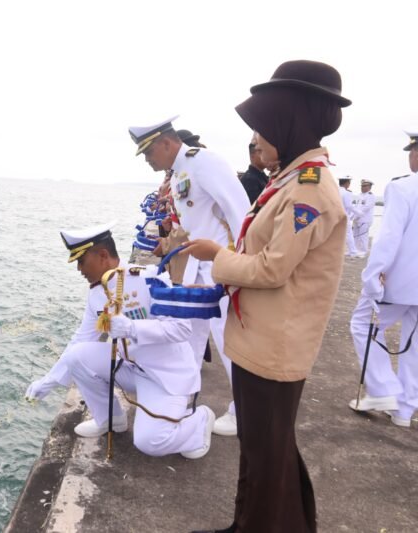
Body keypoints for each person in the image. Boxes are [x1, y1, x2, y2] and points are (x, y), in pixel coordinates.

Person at [183, 59, 350, 533]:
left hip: (276, 345)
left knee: (267, 453)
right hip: (263, 339)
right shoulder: (292, 178)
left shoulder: (309, 190)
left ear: (291, 122)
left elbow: (274, 268)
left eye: (265, 126)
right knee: (265, 451)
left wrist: (217, 254)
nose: (257, 137)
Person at [25, 221, 215, 459]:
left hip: (164, 376)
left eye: (81, 261)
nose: (79, 269)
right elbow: (80, 339)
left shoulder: (150, 279)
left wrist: (133, 328)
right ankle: (111, 420)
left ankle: (199, 422)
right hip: (132, 369)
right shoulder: (97, 293)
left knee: (150, 442)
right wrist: (49, 380)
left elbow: (181, 329)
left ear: (103, 255)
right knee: (78, 356)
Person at [129, 117, 250, 437]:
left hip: (222, 270)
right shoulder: (181, 171)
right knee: (188, 343)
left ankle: (243, 414)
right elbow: (192, 223)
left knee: (229, 344)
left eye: (148, 153)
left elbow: (240, 212)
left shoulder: (203, 162)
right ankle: (181, 407)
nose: (147, 160)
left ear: (165, 144)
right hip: (196, 274)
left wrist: (242, 264)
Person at [348, 132, 418, 428]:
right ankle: (404, 409)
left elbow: (389, 237)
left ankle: (386, 392)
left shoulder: (403, 187)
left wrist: (372, 276)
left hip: (397, 282)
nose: (410, 156)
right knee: (415, 346)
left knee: (362, 324)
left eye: (412, 150)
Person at [352, 179, 375, 257]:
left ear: (369, 187)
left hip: (365, 219)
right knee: (355, 235)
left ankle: (363, 252)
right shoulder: (360, 195)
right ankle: (355, 250)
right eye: (362, 186)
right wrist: (352, 216)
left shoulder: (370, 196)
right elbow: (356, 206)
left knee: (363, 236)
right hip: (357, 219)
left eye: (365, 186)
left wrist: (357, 215)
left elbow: (366, 207)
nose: (362, 187)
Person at [339, 177, 360, 256]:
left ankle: (339, 251)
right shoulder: (346, 193)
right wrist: (359, 213)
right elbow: (349, 206)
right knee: (348, 234)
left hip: (334, 215)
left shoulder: (334, 190)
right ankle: (353, 252)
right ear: (347, 183)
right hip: (344, 215)